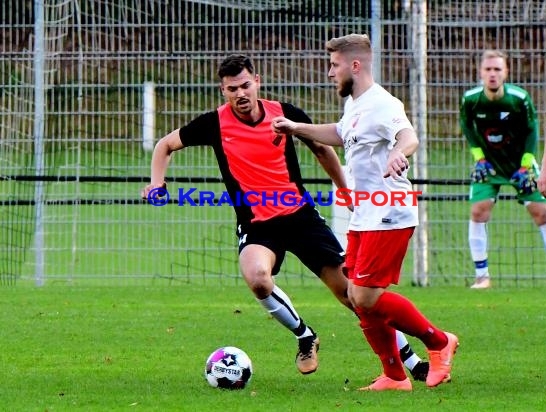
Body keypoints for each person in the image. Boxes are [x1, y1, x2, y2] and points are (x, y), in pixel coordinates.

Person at [140, 54, 429, 378]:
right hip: (257, 224)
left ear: (257, 82)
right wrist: (156, 184)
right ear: (223, 91)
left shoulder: (284, 115)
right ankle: (305, 336)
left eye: (246, 85)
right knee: (258, 279)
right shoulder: (214, 124)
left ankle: (411, 361)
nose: (241, 94)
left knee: (353, 294)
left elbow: (323, 149)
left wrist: (346, 191)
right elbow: (165, 144)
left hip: (301, 218)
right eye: (232, 88)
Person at [272, 35, 458, 391]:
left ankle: (438, 342)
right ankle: (394, 376)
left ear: (354, 66)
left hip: (389, 212)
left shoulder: (383, 104)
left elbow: (409, 136)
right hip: (365, 215)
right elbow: (340, 134)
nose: (329, 73)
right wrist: (296, 128)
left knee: (365, 297)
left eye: (334, 65)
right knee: (359, 299)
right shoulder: (355, 106)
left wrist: (398, 153)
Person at [460, 50, 546, 290]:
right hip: (488, 164)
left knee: (541, 212)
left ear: (506, 72)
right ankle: (482, 277)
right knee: (479, 211)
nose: (492, 74)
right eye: (488, 69)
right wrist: (479, 158)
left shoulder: (519, 98)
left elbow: (533, 130)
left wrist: (526, 164)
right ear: (480, 72)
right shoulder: (470, 100)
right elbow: (467, 127)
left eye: (497, 69)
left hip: (520, 163)